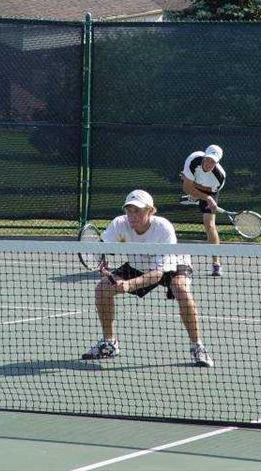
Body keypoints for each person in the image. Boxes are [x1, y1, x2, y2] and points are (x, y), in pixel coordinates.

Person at [81, 189, 213, 368]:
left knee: (180, 289)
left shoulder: (163, 228)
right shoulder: (120, 223)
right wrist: (103, 263)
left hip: (172, 262)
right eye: (129, 210)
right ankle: (109, 344)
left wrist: (128, 284)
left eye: (138, 210)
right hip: (139, 262)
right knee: (102, 290)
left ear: (151, 211)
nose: (132, 215)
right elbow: (102, 248)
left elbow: (158, 274)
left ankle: (197, 346)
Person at [181, 145, 226, 277]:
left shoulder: (219, 177)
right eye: (207, 159)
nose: (209, 164)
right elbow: (186, 187)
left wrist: (208, 199)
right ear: (204, 156)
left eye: (213, 162)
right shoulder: (193, 160)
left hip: (209, 190)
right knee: (186, 181)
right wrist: (204, 197)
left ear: (217, 163)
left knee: (209, 224)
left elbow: (209, 193)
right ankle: (194, 197)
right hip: (194, 184)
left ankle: (216, 264)